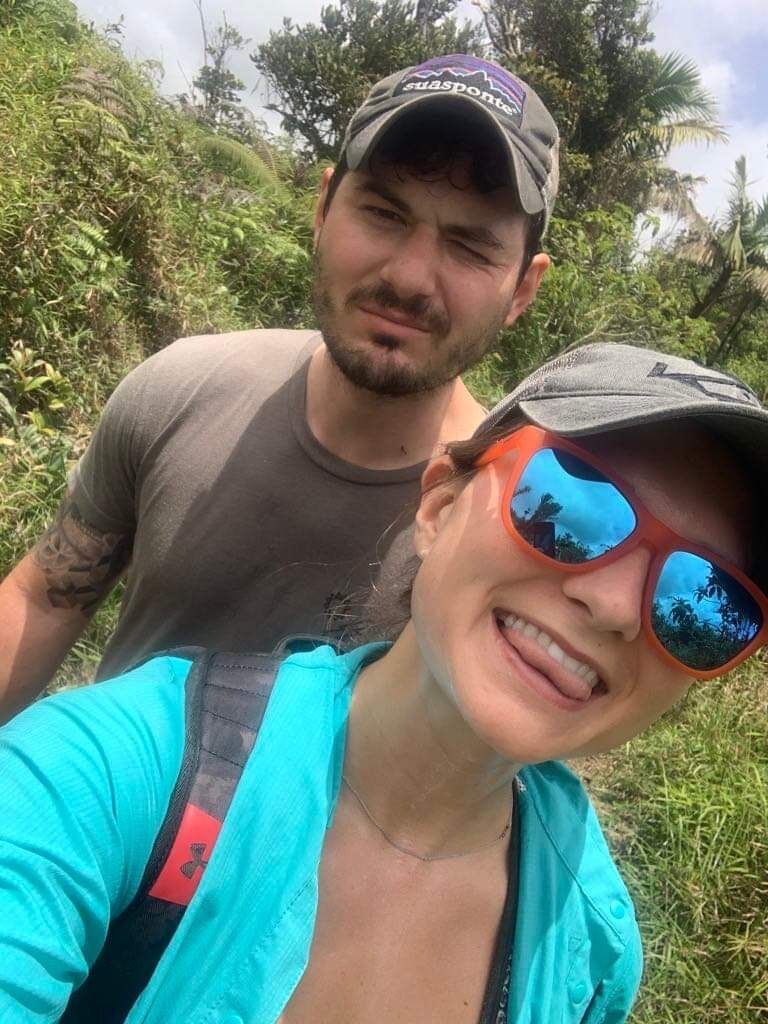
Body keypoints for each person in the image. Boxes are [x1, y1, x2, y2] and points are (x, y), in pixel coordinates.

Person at [2, 342, 766, 1023]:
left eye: (707, 605)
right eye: (571, 505)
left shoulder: (591, 955)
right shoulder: (106, 776)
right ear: (438, 505)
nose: (611, 608)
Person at [0, 54, 559, 718]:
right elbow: (45, 598)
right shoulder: (179, 392)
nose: (410, 277)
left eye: (469, 248)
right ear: (324, 207)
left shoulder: (510, 519)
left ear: (523, 288)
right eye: (382, 212)